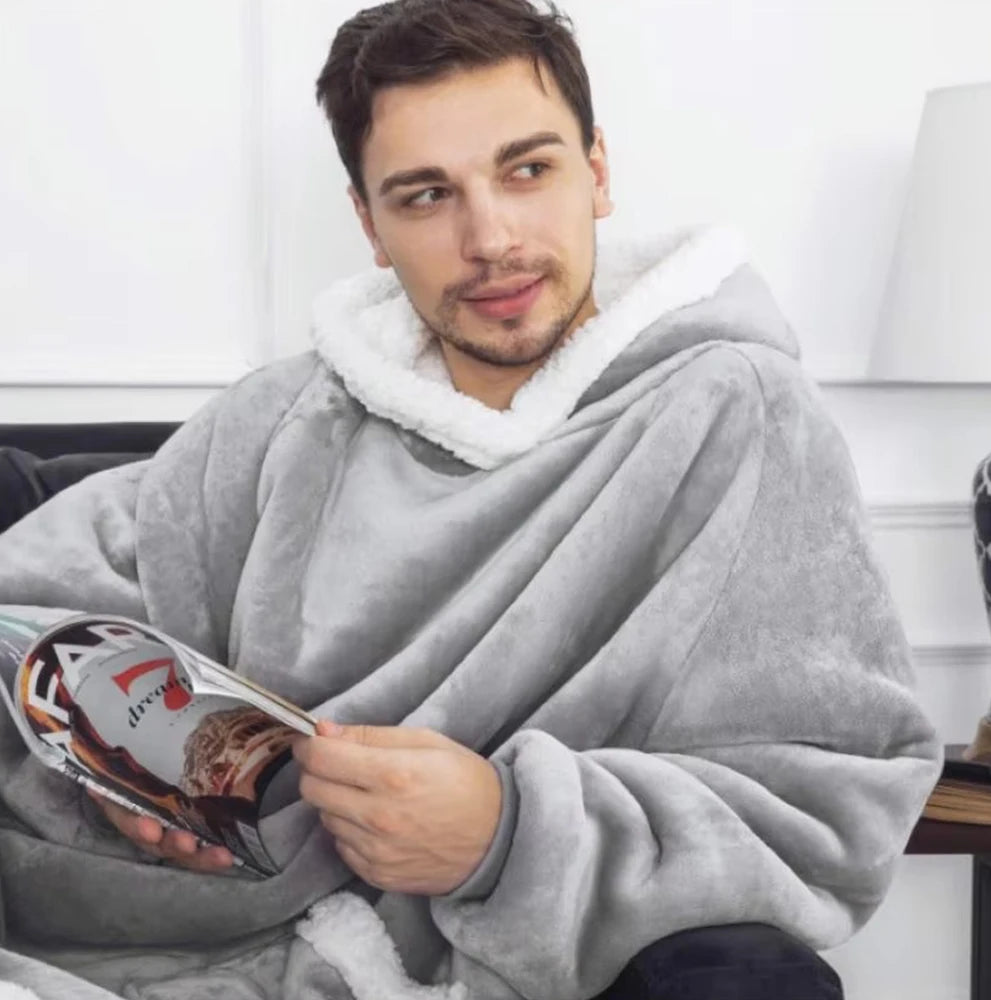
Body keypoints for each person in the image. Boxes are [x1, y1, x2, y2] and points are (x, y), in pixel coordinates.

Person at [0, 1, 942, 998]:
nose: (488, 237)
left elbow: (831, 803)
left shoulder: (731, 418)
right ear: (369, 223)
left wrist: (506, 830)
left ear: (598, 170)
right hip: (154, 934)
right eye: (424, 195)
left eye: (527, 169)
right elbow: (36, 603)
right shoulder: (280, 421)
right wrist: (104, 763)